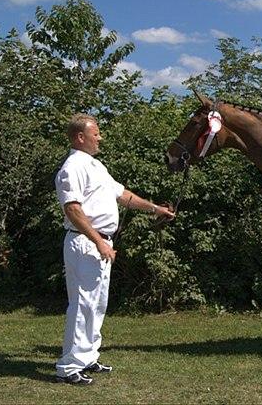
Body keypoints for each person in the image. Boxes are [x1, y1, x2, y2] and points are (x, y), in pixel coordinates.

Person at [54, 113, 175, 385]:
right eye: (95, 134)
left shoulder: (96, 167)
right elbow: (73, 210)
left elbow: (123, 195)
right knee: (83, 303)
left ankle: (87, 357)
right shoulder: (71, 167)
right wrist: (98, 241)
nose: (100, 138)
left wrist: (156, 209)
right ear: (80, 137)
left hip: (101, 243)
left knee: (97, 304)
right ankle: (69, 366)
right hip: (85, 242)